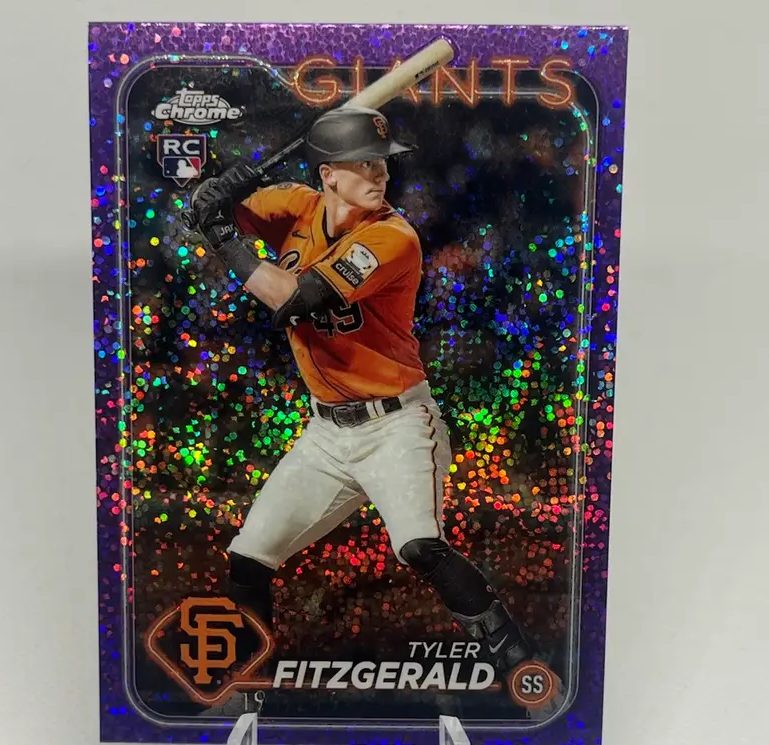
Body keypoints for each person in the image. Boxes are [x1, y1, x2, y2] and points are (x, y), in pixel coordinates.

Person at [187, 106, 535, 680]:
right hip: (326, 434)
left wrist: (222, 234)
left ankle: (521, 666)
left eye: (381, 163)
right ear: (329, 175)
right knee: (248, 557)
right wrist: (213, 193)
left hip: (396, 424)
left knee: (420, 546)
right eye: (364, 163)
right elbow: (211, 215)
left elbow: (294, 298)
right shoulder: (296, 206)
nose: (380, 174)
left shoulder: (392, 237)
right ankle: (248, 688)